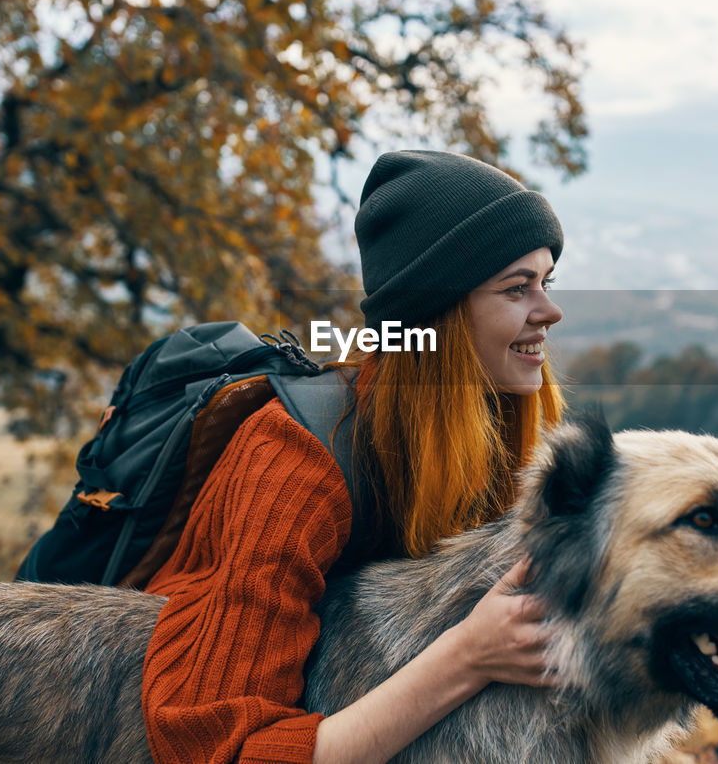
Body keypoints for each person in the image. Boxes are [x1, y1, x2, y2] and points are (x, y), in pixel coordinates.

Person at [141, 150, 568, 764]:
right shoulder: (294, 463)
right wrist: (468, 655)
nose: (549, 310)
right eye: (516, 288)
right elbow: (221, 750)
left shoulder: (506, 434)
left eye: (546, 281)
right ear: (437, 316)